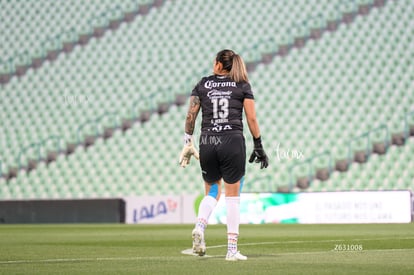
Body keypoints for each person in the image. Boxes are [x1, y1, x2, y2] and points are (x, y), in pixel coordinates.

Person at [179, 49, 268, 261]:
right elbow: (252, 119)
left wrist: (187, 142)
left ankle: (200, 226)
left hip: (208, 141)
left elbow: (191, 115)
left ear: (219, 64)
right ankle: (231, 250)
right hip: (232, 142)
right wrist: (258, 145)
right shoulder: (242, 85)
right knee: (233, 197)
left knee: (212, 192)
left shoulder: (203, 84)